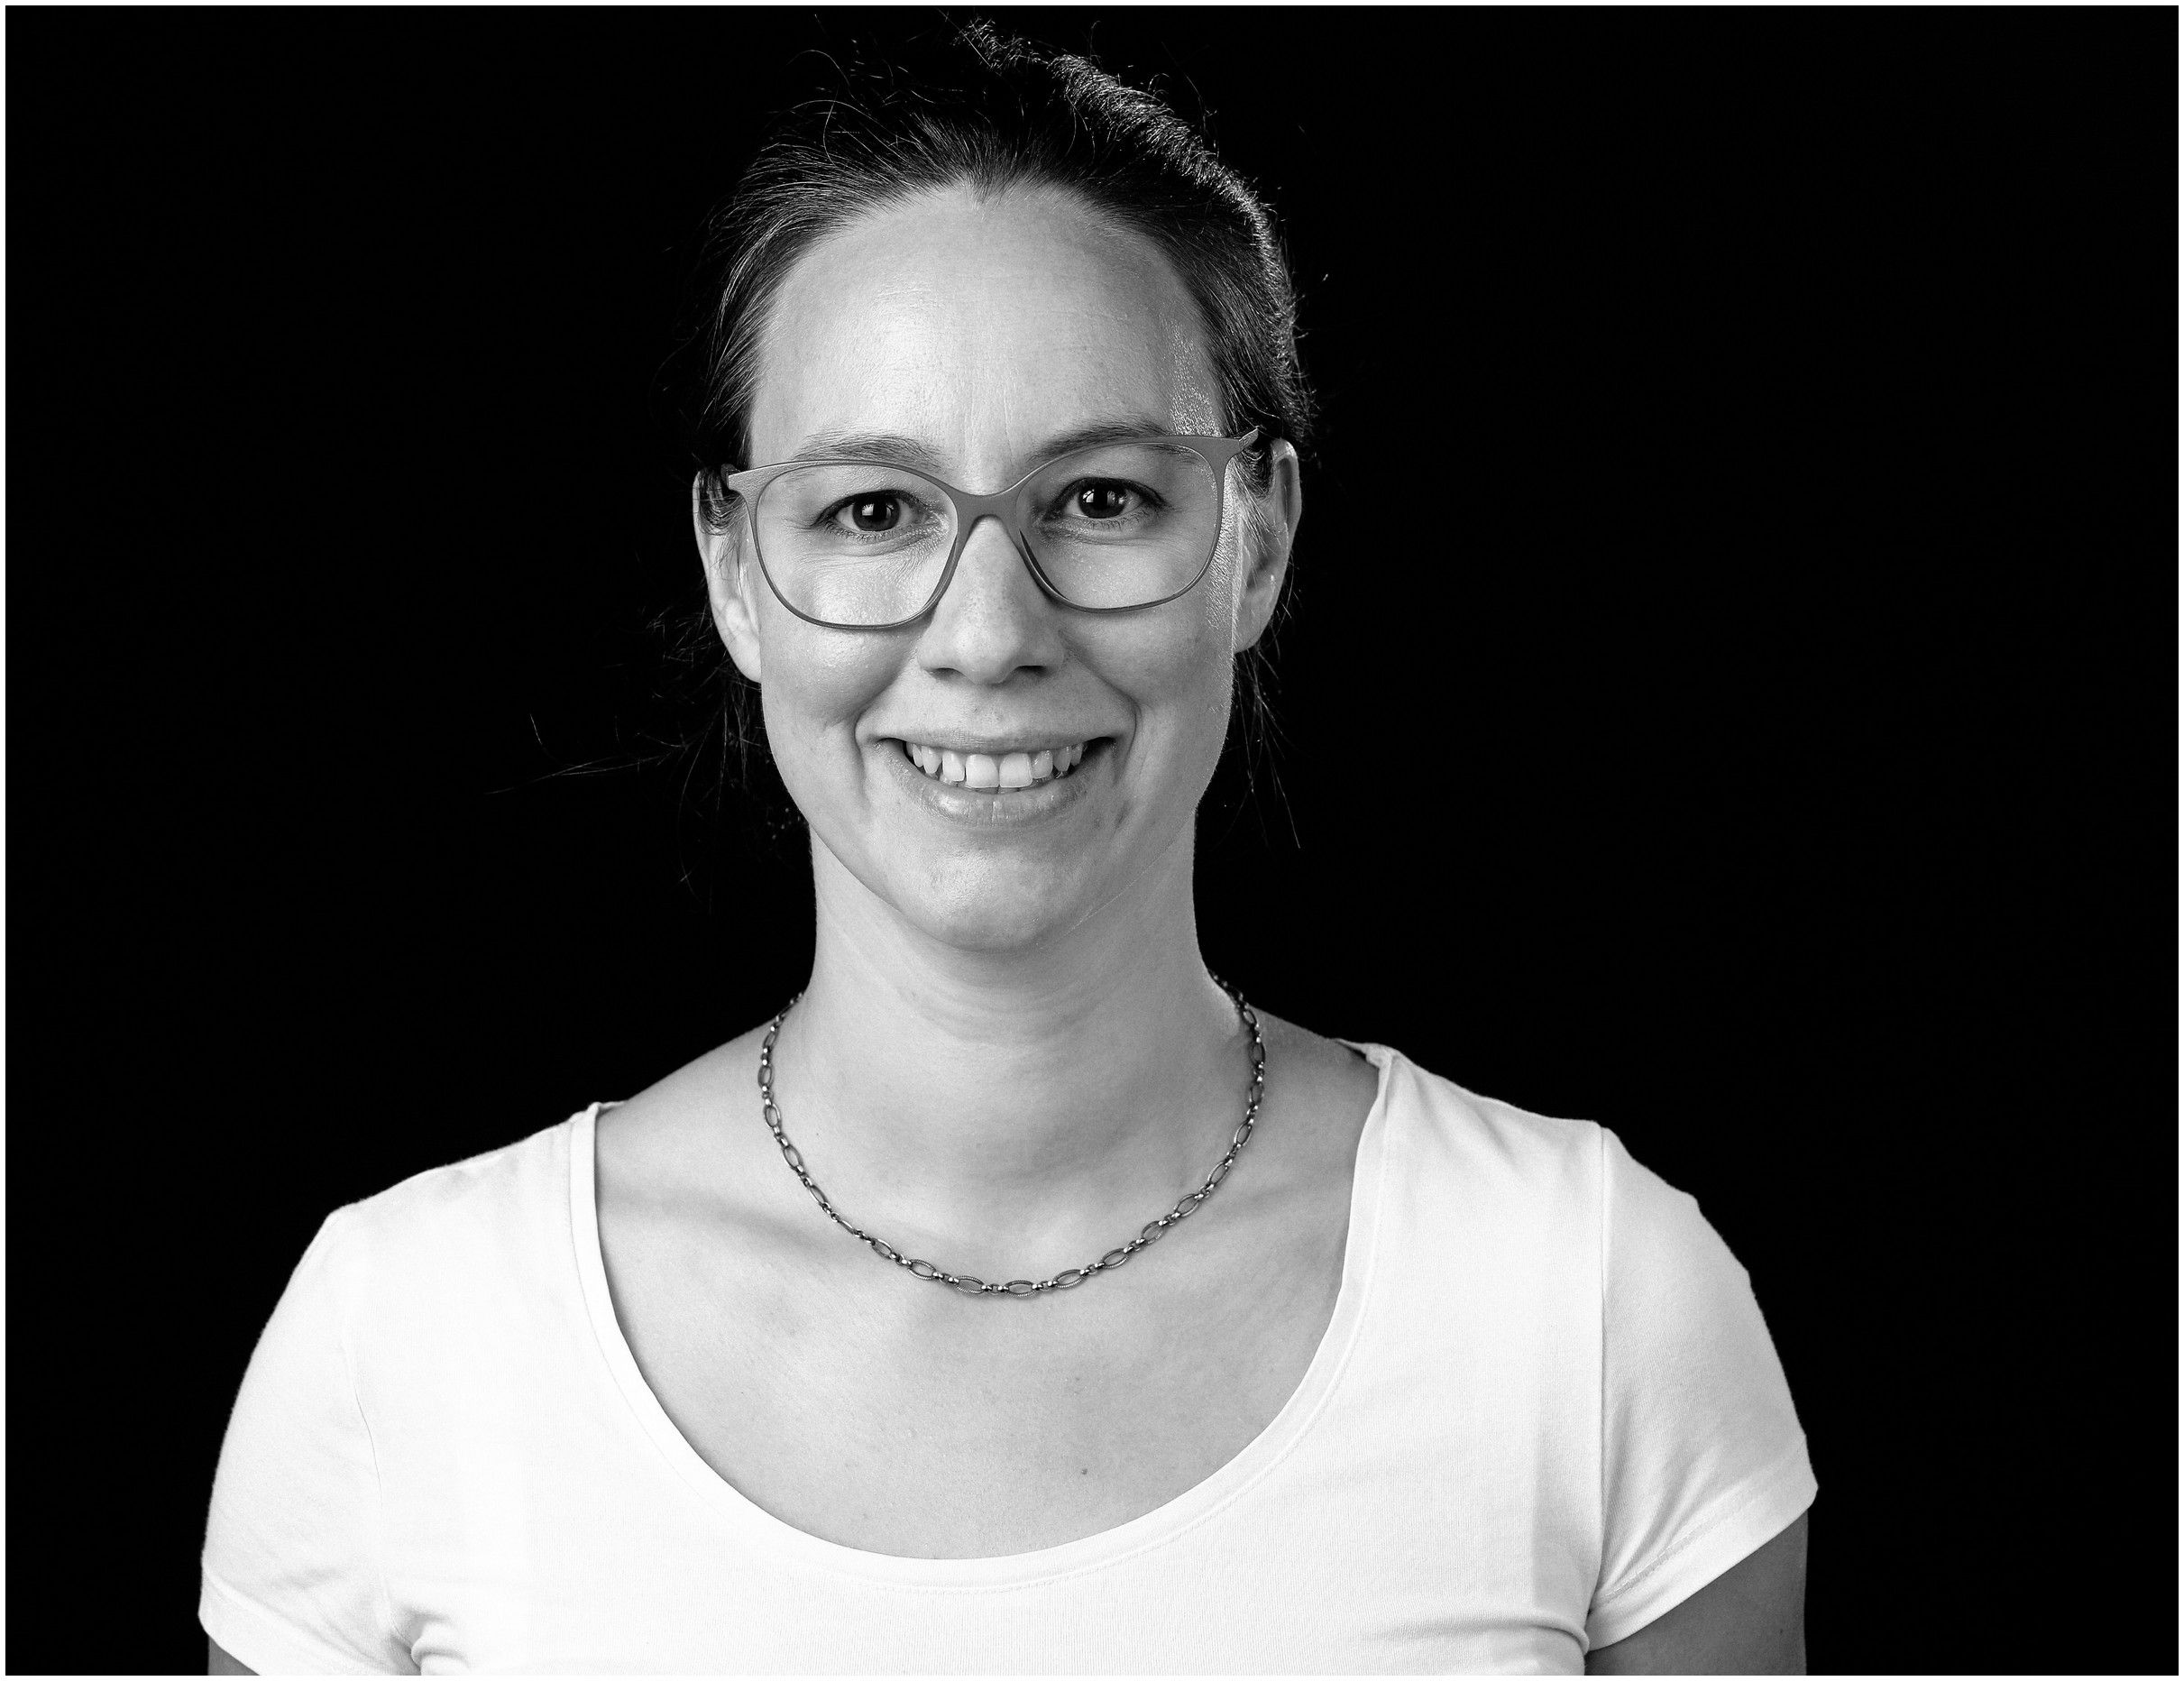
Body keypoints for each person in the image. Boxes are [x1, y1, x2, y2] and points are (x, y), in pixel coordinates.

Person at [200, 24, 1814, 1675]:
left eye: (1099, 498)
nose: (986, 636)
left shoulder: (1588, 1302)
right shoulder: (402, 1339)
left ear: (1255, 539)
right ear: (735, 572)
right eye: (872, 510)